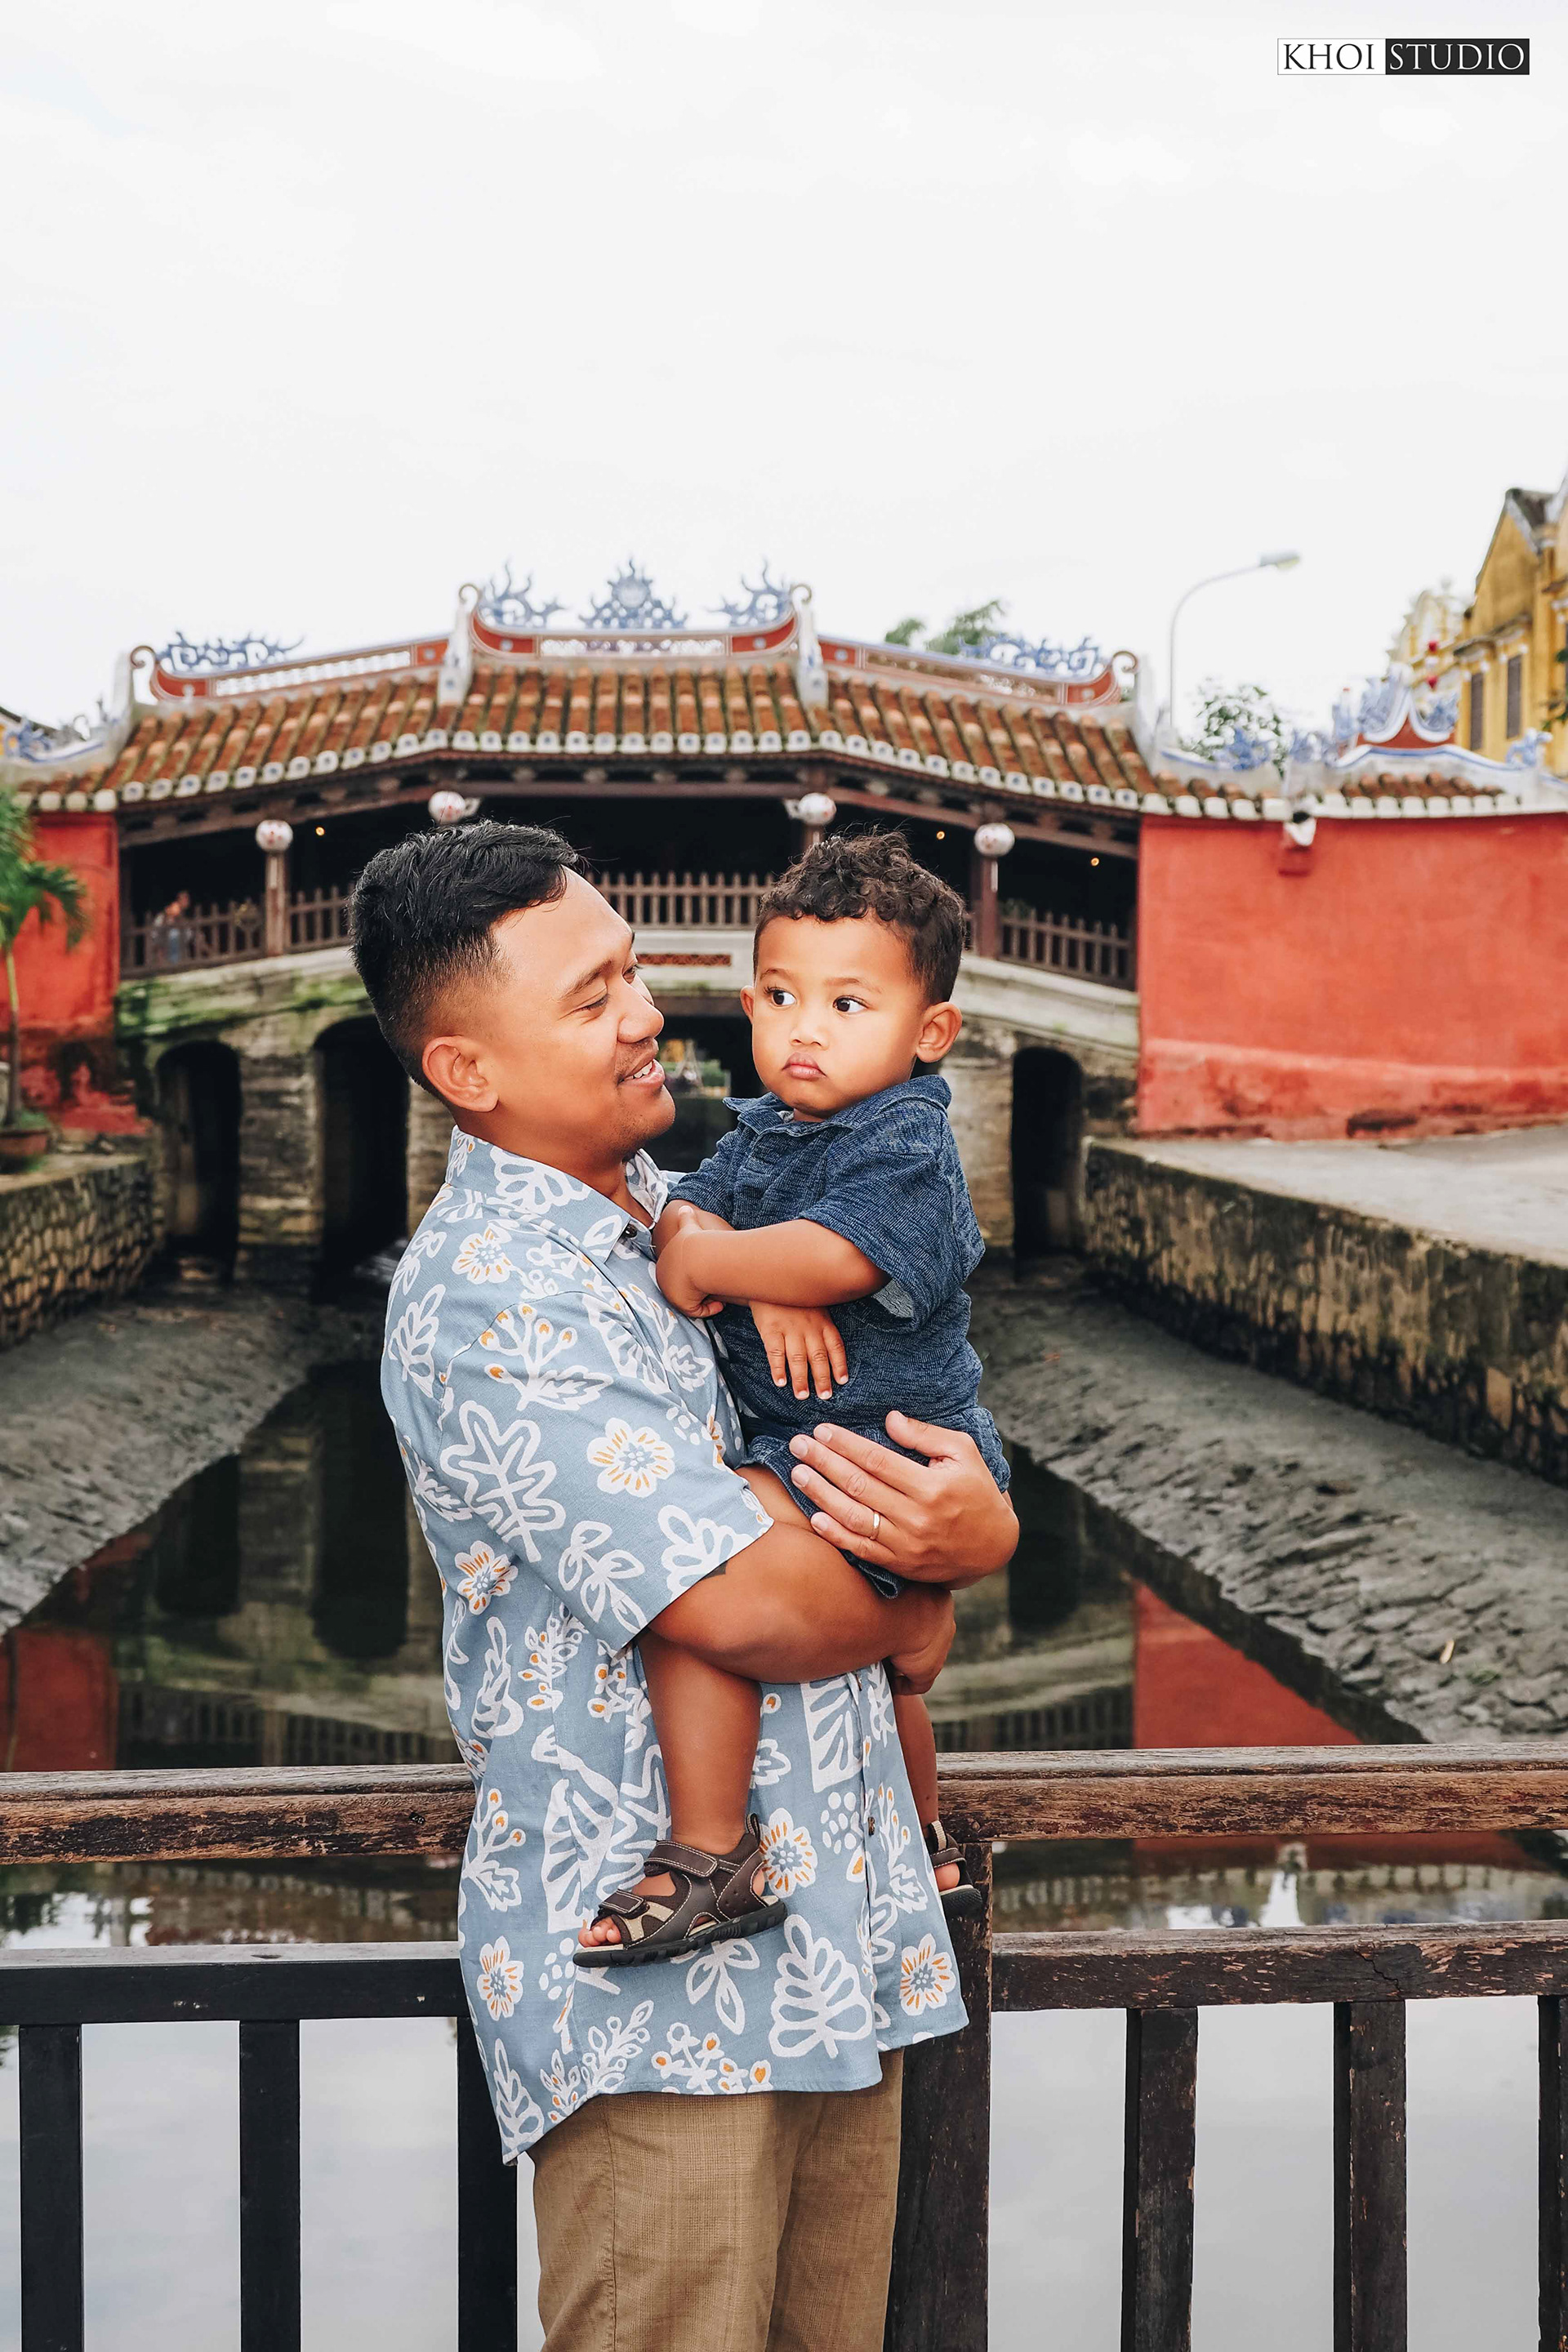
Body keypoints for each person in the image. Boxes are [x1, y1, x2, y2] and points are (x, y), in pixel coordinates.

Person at [352, 819, 1017, 2352]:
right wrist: (947, 1579)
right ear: (468, 1070)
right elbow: (750, 1605)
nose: (651, 1011)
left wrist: (956, 1528)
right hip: (664, 2018)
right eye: (592, 997)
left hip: (828, 1958)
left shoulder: (682, 1211)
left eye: (635, 971)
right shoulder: (495, 1298)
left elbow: (889, 1428)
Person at [578, 833, 1002, 1965]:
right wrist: (725, 1252)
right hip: (822, 1443)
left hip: (894, 1455)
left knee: (688, 1585)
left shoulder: (905, 1140)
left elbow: (827, 1264)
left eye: (848, 1003)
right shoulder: (770, 1132)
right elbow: (681, 1216)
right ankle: (926, 1837)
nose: (804, 1027)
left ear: (930, 1033)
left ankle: (712, 1848)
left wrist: (738, 1267)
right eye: (779, 995)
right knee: (872, 1665)